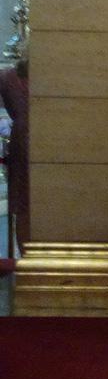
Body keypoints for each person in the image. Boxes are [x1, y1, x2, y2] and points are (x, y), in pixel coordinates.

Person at [0, 60, 28, 250]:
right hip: (23, 149)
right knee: (25, 207)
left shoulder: (9, 77)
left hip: (29, 145)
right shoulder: (9, 77)